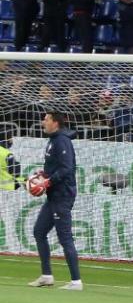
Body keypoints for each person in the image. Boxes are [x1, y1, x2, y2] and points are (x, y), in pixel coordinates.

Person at [28, 111, 82, 289]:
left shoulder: (62, 141)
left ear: (56, 123)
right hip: (53, 196)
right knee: (39, 231)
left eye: (46, 119)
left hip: (62, 196)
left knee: (65, 237)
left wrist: (48, 181)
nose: (43, 122)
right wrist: (43, 174)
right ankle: (46, 276)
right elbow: (55, 167)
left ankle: (76, 281)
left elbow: (67, 168)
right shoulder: (52, 140)